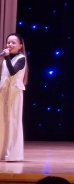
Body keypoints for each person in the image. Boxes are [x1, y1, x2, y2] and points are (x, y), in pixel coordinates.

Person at [0, 33, 27, 162]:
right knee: (3, 121)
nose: (10, 44)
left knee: (13, 121)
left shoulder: (21, 59)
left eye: (13, 42)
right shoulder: (6, 59)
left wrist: (6, 57)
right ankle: (3, 151)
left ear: (20, 46)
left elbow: (12, 72)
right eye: (8, 42)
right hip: (4, 93)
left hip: (15, 93)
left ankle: (13, 154)